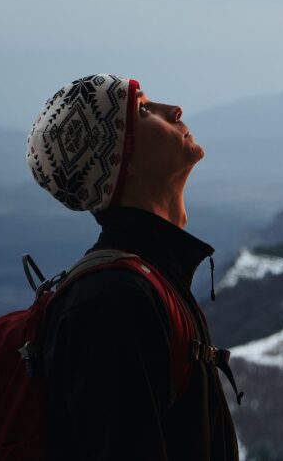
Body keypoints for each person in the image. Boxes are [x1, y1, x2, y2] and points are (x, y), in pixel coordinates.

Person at [26, 74, 239, 460]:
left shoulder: (145, 283)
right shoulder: (113, 303)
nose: (174, 110)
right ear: (122, 162)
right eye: (142, 109)